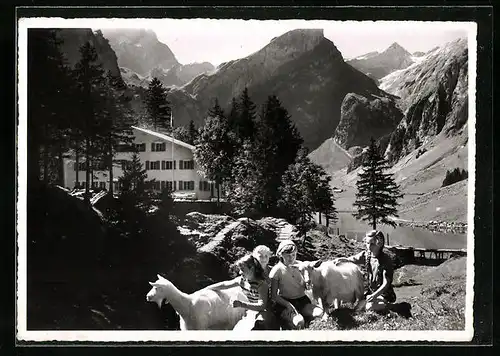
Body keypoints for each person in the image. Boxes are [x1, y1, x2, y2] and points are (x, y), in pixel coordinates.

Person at [205, 253, 274, 330]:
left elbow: (262, 306)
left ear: (251, 269)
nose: (240, 272)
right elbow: (224, 284)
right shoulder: (242, 281)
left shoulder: (261, 284)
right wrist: (207, 288)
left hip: (265, 313)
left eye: (242, 269)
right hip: (252, 311)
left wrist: (241, 304)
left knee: (257, 326)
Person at [334, 230, 396, 312]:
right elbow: (353, 259)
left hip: (384, 294)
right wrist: (344, 259)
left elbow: (386, 284)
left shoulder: (386, 260)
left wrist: (374, 296)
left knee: (369, 307)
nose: (369, 246)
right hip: (371, 293)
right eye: (367, 243)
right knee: (358, 308)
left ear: (379, 244)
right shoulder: (367, 255)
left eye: (372, 244)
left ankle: (392, 307)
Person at [269, 240, 323, 329]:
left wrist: (308, 284)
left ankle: (307, 322)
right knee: (299, 322)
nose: (291, 258)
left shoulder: (301, 265)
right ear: (280, 255)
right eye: (288, 255)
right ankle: (286, 322)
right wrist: (288, 305)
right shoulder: (277, 270)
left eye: (293, 255)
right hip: (285, 302)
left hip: (302, 300)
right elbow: (274, 296)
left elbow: (308, 286)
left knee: (319, 313)